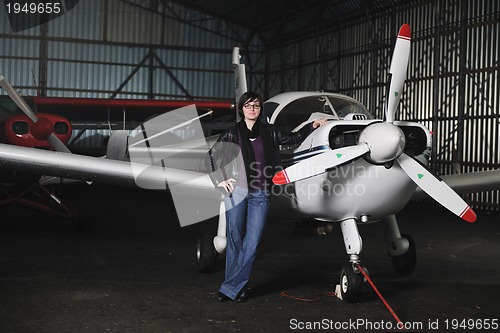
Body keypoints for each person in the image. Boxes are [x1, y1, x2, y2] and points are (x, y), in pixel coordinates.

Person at [205, 91, 327, 302]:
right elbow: (211, 157)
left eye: (256, 106)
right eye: (248, 106)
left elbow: (294, 137)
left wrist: (312, 126)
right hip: (237, 191)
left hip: (261, 193)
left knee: (252, 244)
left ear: (260, 109)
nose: (252, 109)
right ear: (242, 109)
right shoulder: (232, 133)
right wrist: (220, 181)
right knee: (234, 240)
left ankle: (229, 289)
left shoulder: (270, 132)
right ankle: (237, 290)